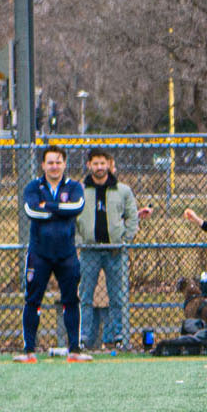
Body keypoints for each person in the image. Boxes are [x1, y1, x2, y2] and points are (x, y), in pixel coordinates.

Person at [17, 145, 87, 362]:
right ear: (43, 165)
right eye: (50, 162)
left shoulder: (74, 186)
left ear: (64, 164)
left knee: (71, 300)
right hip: (39, 253)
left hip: (67, 254)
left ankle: (74, 350)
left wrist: (48, 206)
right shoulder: (33, 186)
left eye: (58, 162)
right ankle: (29, 351)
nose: (54, 166)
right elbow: (31, 211)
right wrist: (60, 209)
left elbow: (77, 207)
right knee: (32, 300)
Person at [74, 150, 147, 354]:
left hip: (115, 250)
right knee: (85, 295)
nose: (99, 167)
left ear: (109, 164)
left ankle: (119, 337)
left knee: (117, 296)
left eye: (103, 163)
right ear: (89, 165)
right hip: (89, 250)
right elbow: (72, 218)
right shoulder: (80, 190)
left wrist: (125, 239)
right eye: (95, 163)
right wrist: (79, 241)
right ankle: (84, 338)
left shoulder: (122, 190)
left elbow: (132, 217)